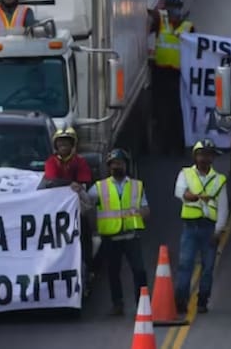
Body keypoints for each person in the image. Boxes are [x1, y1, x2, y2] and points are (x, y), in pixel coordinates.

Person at [93, 149, 150, 316]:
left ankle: (142, 304)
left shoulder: (136, 186)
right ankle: (117, 304)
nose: (116, 166)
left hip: (131, 236)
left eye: (119, 163)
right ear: (109, 167)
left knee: (139, 271)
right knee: (113, 272)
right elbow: (86, 201)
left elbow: (146, 208)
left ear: (126, 165)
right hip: (111, 238)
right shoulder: (100, 187)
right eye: (113, 164)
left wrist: (142, 213)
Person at [174, 139, 228, 315]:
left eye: (208, 155)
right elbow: (181, 193)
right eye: (201, 154)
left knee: (208, 267)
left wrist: (218, 231)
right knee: (185, 264)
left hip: (209, 228)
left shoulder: (219, 180)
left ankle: (202, 301)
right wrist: (196, 196)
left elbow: (223, 208)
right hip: (190, 227)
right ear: (195, 156)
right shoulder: (185, 174)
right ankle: (181, 301)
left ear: (213, 158)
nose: (205, 158)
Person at [43, 127, 96, 273]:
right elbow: (52, 180)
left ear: (73, 145)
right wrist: (69, 184)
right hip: (56, 210)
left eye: (66, 143)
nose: (63, 146)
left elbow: (83, 181)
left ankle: (88, 268)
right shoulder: (51, 162)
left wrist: (75, 185)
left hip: (76, 208)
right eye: (60, 143)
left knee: (85, 234)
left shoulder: (80, 161)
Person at [152, 0, 194, 153]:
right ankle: (164, 145)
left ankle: (179, 144)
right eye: (170, 9)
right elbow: (148, 16)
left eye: (176, 9)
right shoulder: (161, 23)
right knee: (162, 110)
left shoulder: (188, 27)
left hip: (179, 76)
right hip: (161, 74)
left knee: (178, 110)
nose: (173, 12)